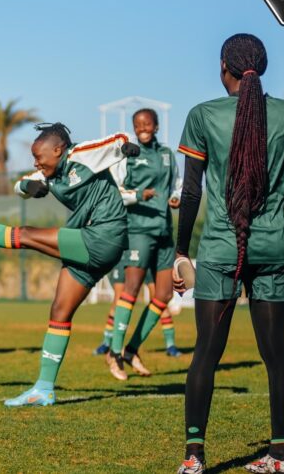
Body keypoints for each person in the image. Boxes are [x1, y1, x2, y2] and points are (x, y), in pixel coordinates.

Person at [175, 34, 284, 474]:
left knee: (205, 355)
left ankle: (194, 459)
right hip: (273, 246)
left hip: (219, 249)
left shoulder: (203, 115)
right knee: (276, 352)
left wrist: (181, 251)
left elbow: (192, 192)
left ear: (224, 68)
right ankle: (281, 456)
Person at [0, 123, 139, 406]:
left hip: (105, 235)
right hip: (89, 242)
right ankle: (44, 389)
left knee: (26, 235)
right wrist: (30, 186)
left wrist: (127, 146)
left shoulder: (82, 155)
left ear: (58, 149)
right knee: (59, 312)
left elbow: (117, 139)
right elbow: (21, 185)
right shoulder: (47, 172)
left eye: (38, 155)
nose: (35, 161)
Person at [104, 108, 182, 380]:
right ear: (134, 128)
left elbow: (177, 185)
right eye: (138, 125)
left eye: (148, 123)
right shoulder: (128, 156)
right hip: (138, 230)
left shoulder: (168, 156)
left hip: (164, 231)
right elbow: (115, 193)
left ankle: (131, 349)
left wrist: (176, 197)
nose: (143, 128)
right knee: (132, 290)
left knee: (164, 295)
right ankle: (113, 352)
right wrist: (138, 194)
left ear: (157, 126)